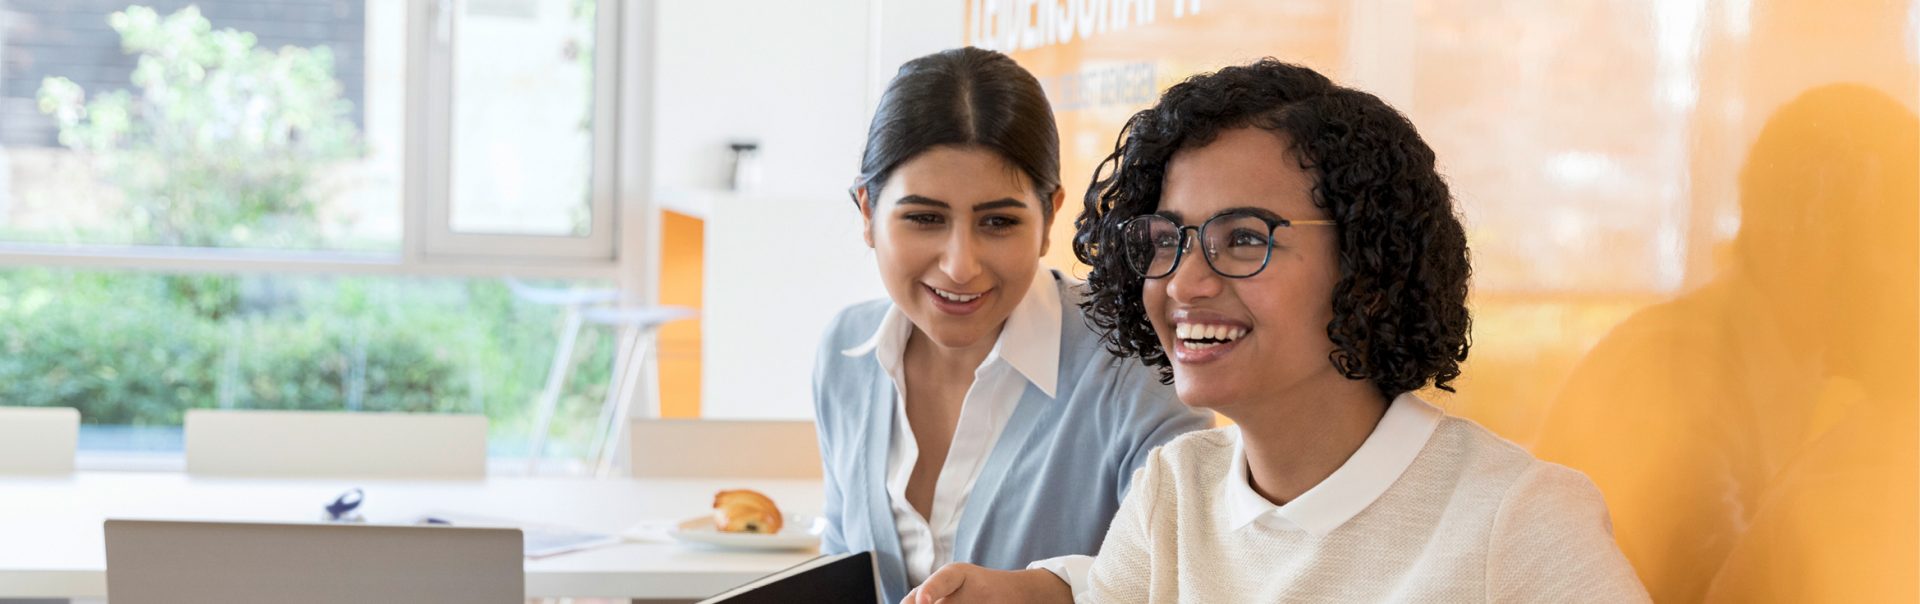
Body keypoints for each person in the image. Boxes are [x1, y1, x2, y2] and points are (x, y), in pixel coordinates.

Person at [907, 58, 1650, 603]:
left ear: (1367, 257)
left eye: (1242, 238)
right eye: (1167, 239)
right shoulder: (1177, 490)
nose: (1186, 282)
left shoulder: (1516, 521)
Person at [811, 47, 1214, 604]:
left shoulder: (1136, 360)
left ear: (1049, 216)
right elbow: (841, 564)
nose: (960, 264)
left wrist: (1047, 593)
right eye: (924, 218)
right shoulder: (844, 353)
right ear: (866, 212)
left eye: (998, 222)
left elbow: (1193, 574)